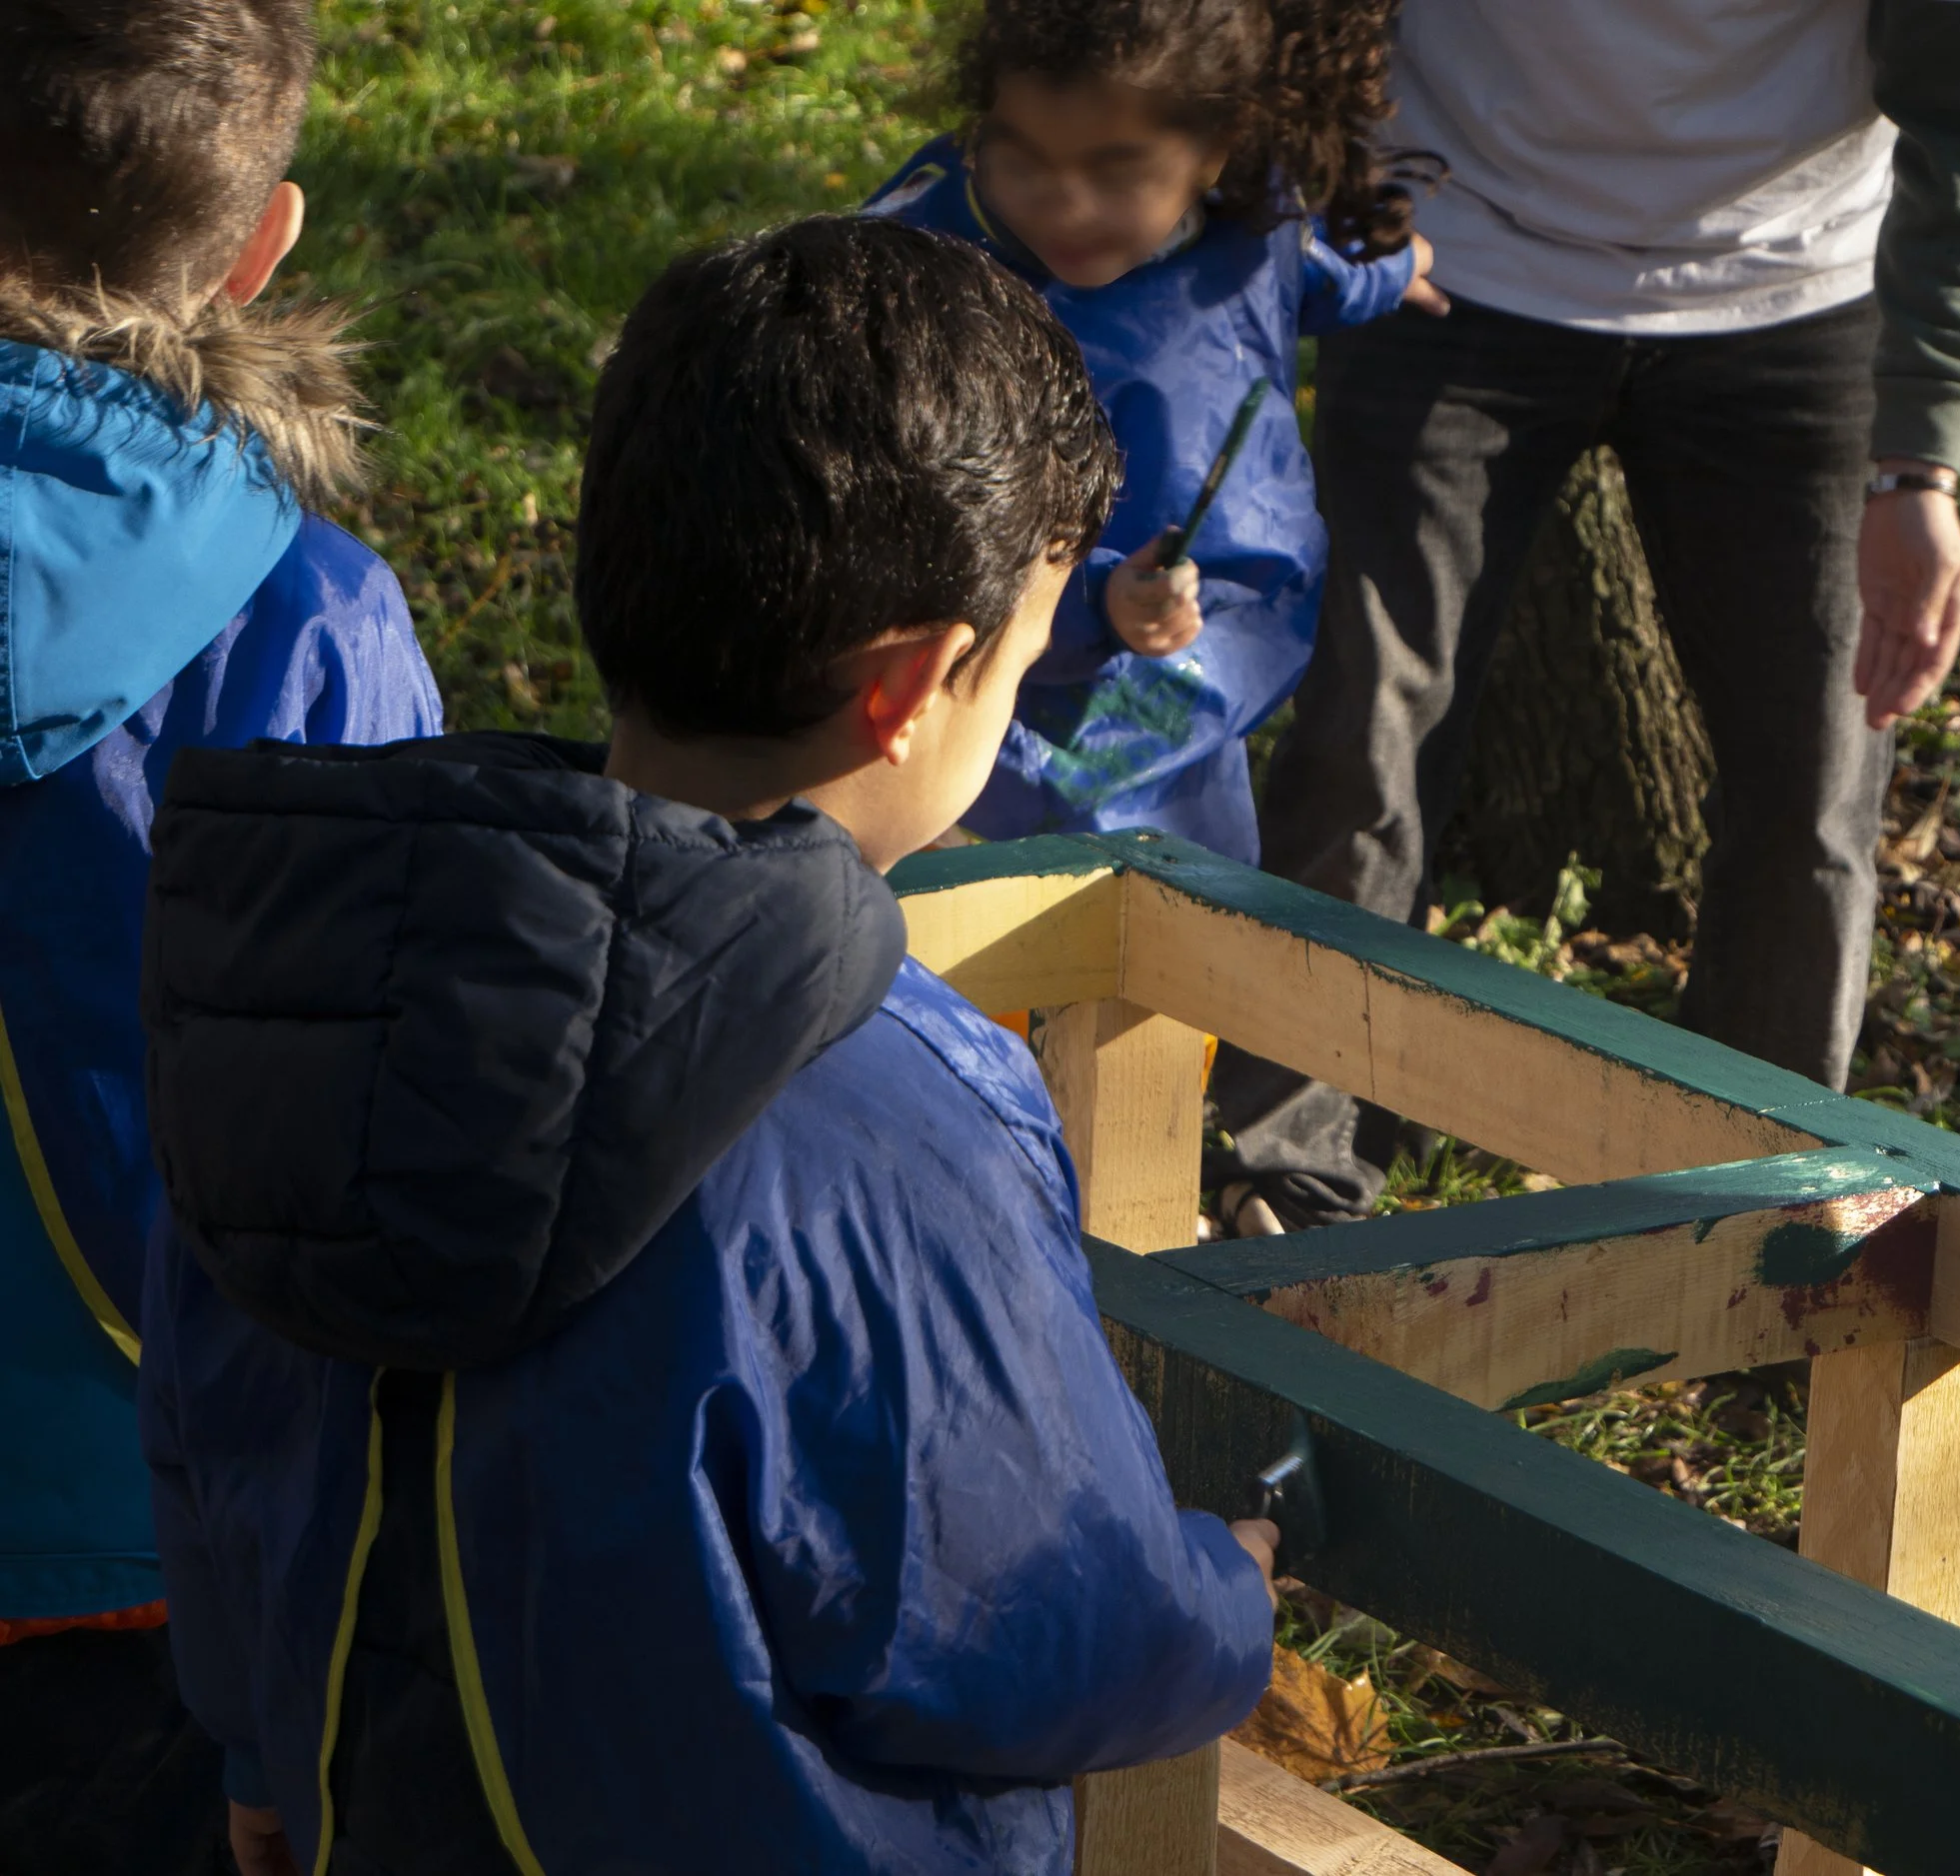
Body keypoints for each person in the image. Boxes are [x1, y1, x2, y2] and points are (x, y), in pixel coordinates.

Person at [138, 215, 1278, 1876]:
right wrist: (1223, 1599)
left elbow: (215, 1406)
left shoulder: (325, 963)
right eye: (1024, 665)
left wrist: (256, 1726)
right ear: (914, 685)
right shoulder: (901, 1111)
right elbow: (1022, 1606)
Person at [1210, 0, 1960, 1232]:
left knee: (1814, 778)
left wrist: (1919, 463)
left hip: (1797, 293)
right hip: (1451, 259)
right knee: (1365, 733)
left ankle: (1756, 1203)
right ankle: (1287, 1186)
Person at [0, 1, 443, 1866]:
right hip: (145, 1531)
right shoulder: (312, 625)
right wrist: (293, 1700)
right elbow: (359, 1160)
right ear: (263, 243)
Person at [864, 0, 1442, 865]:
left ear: (1218, 150)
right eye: (1023, 159)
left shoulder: (1252, 220)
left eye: (1115, 172)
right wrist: (1095, 601)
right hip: (996, 705)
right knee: (997, 902)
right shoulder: (927, 265)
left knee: (1185, 907)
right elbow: (904, 524)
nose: (1064, 205)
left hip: (1191, 692)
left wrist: (1395, 268)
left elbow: (1308, 270)